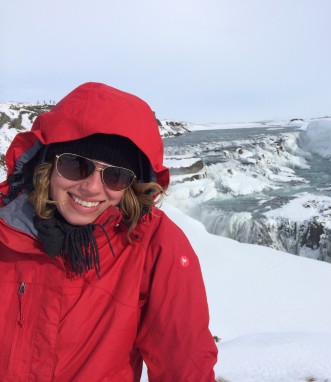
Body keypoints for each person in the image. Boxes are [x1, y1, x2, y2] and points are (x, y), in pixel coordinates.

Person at [0, 82, 217, 381]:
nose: (90, 187)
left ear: (132, 184)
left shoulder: (153, 246)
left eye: (115, 176)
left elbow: (185, 366)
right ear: (48, 164)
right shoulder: (6, 227)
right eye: (76, 165)